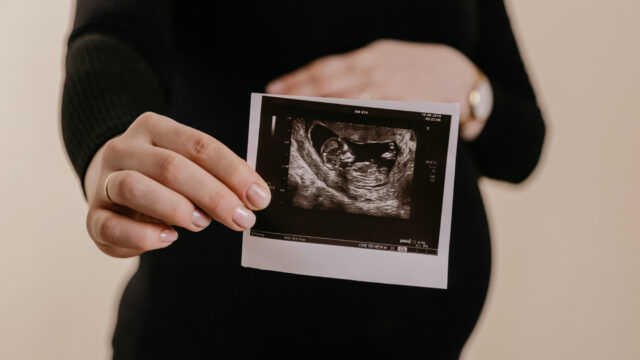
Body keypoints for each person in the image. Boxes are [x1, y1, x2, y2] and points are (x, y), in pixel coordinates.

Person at [61, 0, 545, 358]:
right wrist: (109, 144)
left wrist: (469, 88)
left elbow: (522, 146)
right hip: (208, 331)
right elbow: (113, 36)